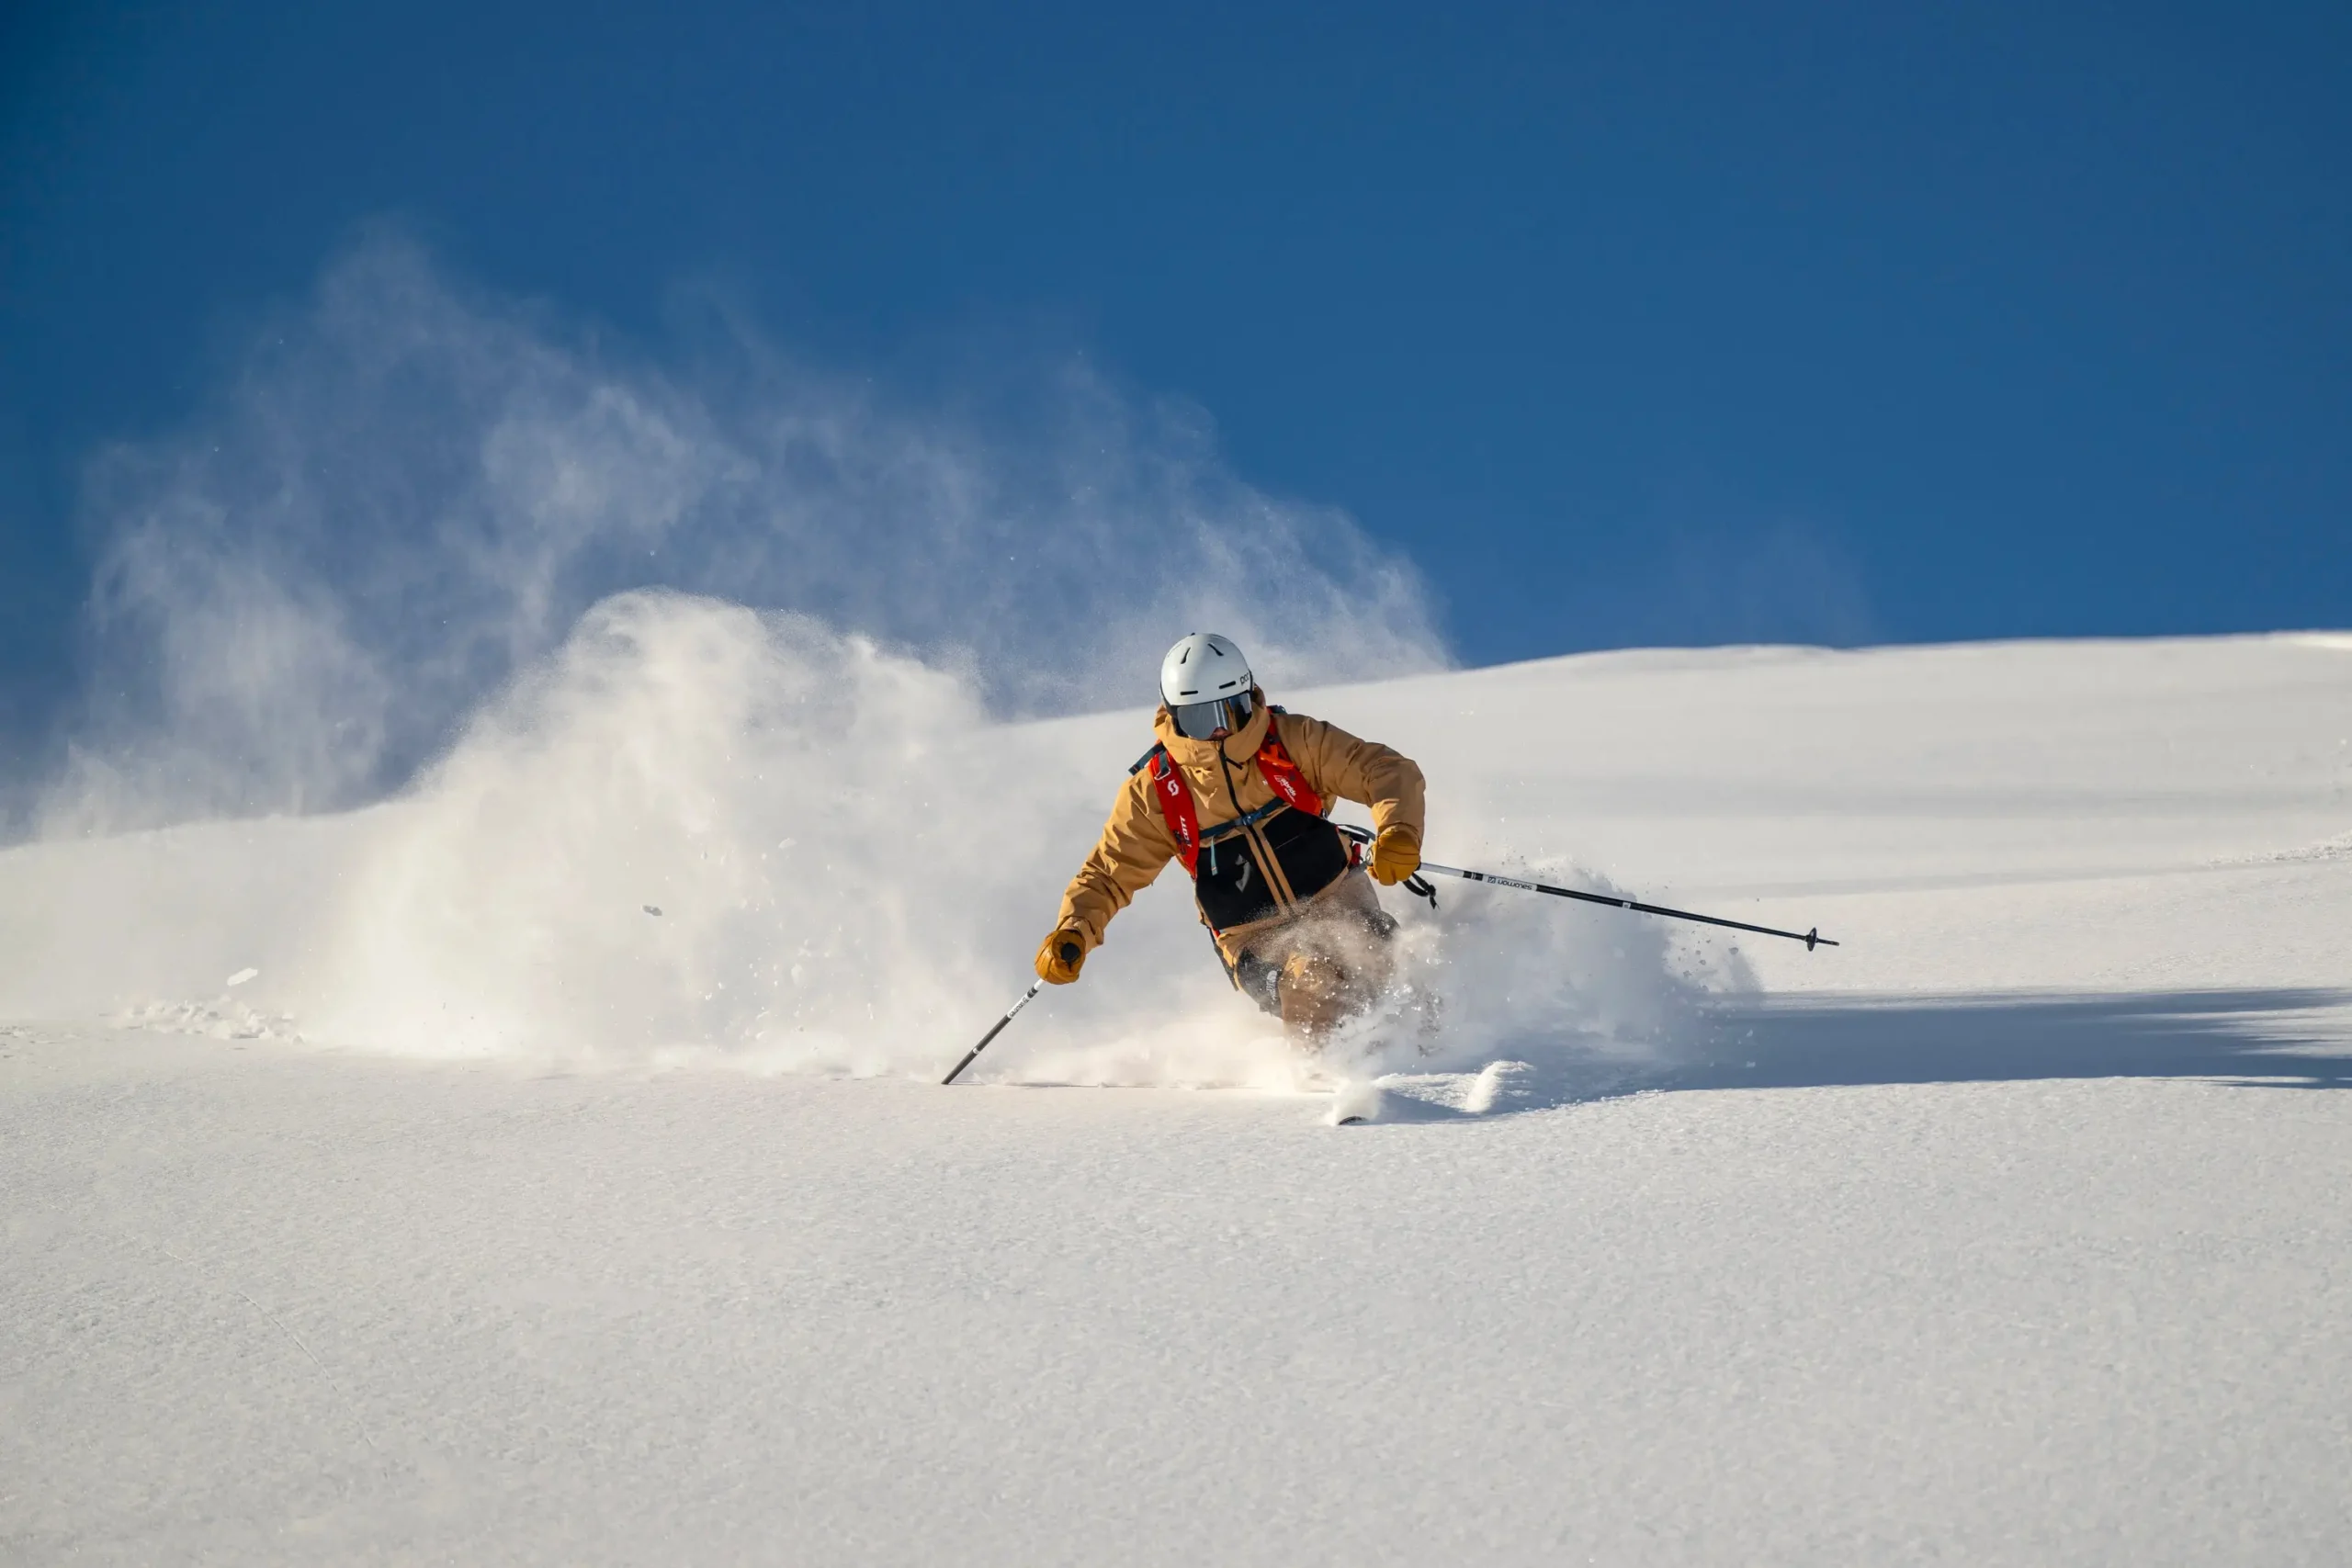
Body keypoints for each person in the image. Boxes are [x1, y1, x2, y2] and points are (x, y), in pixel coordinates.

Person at [1035, 633, 1427, 1037]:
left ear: (1249, 694)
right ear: (1176, 715)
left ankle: (1443, 1051)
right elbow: (1107, 874)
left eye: (1232, 711)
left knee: (1381, 952)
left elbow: (1382, 770)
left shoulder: (1292, 741)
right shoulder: (1156, 791)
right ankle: (1335, 1086)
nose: (1221, 731)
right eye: (1204, 719)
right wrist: (1074, 929)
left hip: (1338, 898)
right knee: (1313, 977)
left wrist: (1399, 831)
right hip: (1255, 942)